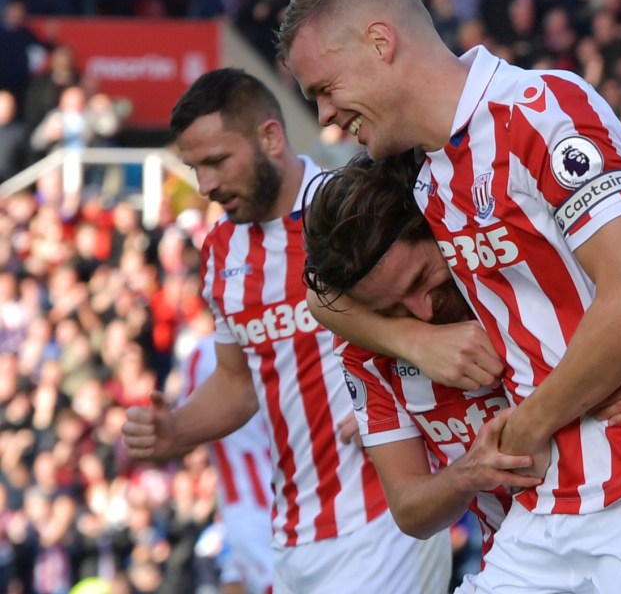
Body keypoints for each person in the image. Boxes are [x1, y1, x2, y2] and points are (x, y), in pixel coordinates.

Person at [278, 0, 621, 592]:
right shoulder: (427, 176)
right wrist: (415, 343)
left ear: (380, 41)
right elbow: (325, 292)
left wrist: (529, 425)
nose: (325, 117)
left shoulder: (540, 109)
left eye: (325, 88)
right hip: (547, 507)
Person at [301, 151, 621, 579]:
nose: (423, 308)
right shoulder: (369, 352)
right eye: (394, 308)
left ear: (437, 230)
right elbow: (410, 509)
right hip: (519, 555)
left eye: (423, 278)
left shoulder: (522, 270)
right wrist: (472, 469)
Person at [121, 68, 451, 594]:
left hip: (384, 518)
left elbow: (444, 315)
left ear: (271, 137)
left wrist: (404, 400)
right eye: (194, 167)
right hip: (293, 534)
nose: (205, 185)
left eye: (216, 162)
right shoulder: (221, 253)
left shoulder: (351, 214)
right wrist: (177, 431)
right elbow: (238, 383)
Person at [180, 331, 274, 594]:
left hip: (252, 499)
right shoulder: (290, 326)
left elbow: (183, 434)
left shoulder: (203, 352)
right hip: (256, 498)